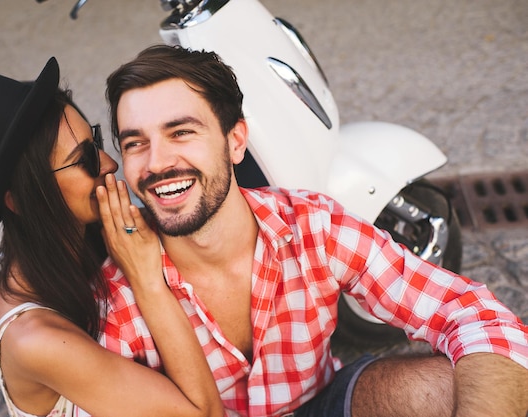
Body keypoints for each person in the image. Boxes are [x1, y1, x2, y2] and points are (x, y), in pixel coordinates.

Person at [103, 45, 528, 417]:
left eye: (181, 132)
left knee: (466, 381)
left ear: (236, 142)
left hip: (319, 404)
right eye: (135, 143)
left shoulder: (310, 225)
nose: (156, 163)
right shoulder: (119, 296)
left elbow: (469, 311)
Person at [0, 57, 224, 417]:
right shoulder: (35, 339)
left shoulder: (91, 241)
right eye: (85, 159)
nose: (108, 163)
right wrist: (147, 280)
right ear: (23, 199)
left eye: (97, 142)